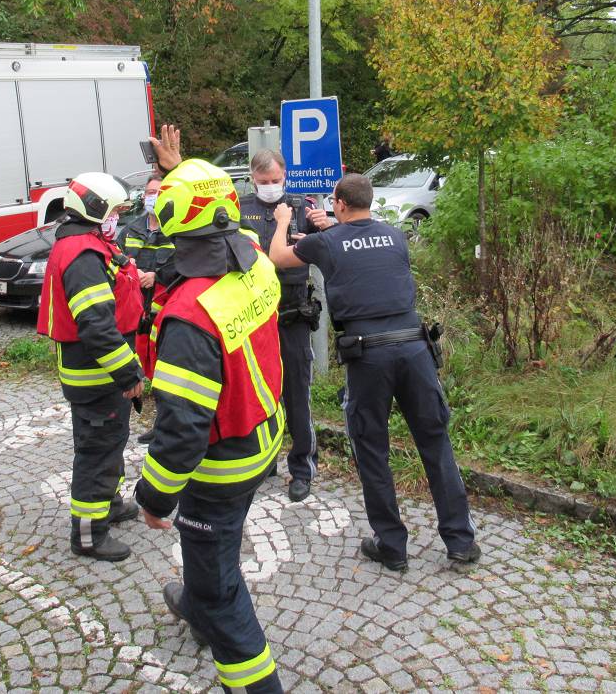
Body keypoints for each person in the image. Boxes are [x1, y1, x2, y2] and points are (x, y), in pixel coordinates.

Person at [134, 126, 284, 694]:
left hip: (220, 467)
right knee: (212, 556)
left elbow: (182, 429)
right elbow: (214, 221)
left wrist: (153, 497)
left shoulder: (189, 316)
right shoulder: (256, 264)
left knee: (219, 582)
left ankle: (251, 677)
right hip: (265, 438)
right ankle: (194, 601)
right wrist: (181, 169)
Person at [267, 173, 480, 573]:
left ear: (340, 204)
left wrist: (281, 221)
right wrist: (337, 232)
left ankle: (392, 545)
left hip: (370, 356)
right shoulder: (396, 236)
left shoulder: (327, 241)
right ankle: (461, 542)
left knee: (372, 450)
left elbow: (279, 256)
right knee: (436, 444)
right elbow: (367, 252)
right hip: (416, 350)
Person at [38, 172, 145, 561]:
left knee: (110, 443)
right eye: (115, 210)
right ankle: (88, 535)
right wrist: (129, 373)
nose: (118, 217)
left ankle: (110, 503)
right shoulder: (83, 256)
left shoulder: (89, 244)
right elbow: (97, 327)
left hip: (101, 373)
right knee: (97, 451)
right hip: (97, 374)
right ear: (96, 210)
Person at [238, 149, 330, 502]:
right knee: (259, 395)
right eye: (264, 182)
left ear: (285, 175)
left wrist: (325, 224)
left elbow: (329, 242)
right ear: (252, 178)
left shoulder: (301, 205)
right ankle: (263, 463)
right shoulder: (239, 207)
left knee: (297, 393)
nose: (271, 187)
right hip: (253, 316)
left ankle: (303, 467)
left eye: (276, 180)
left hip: (292, 313)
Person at [117, 175, 177, 443]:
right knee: (142, 367)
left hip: (163, 313)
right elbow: (114, 261)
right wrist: (130, 271)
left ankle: (166, 426)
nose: (152, 196)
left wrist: (157, 275)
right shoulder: (130, 230)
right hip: (135, 315)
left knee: (166, 371)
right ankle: (149, 420)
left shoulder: (175, 231)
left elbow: (184, 267)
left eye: (158, 192)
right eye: (150, 191)